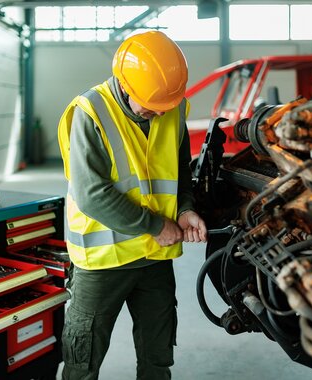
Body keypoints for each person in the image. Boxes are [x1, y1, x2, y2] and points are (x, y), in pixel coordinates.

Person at [57, 30, 207, 380]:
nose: (157, 115)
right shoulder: (90, 112)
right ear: (125, 85)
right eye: (150, 107)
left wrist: (185, 209)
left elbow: (180, 173)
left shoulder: (171, 107)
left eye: (163, 108)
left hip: (154, 259)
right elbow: (92, 194)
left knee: (158, 358)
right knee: (83, 361)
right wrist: (157, 225)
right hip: (103, 264)